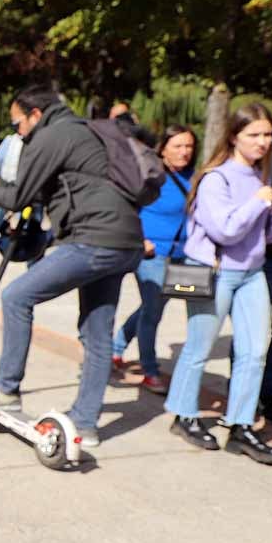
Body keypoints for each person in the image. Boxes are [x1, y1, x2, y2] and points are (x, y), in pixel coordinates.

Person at [0, 85, 145, 447]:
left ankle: (7, 389)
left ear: (35, 115)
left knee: (16, 297)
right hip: (126, 241)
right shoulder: (82, 130)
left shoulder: (53, 134)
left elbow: (18, 197)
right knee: (97, 334)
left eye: (17, 124)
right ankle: (86, 424)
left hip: (92, 239)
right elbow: (56, 187)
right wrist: (2, 185)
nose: (17, 133)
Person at [165, 104, 272, 462]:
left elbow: (265, 234)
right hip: (216, 273)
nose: (263, 142)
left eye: (268, 135)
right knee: (199, 346)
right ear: (234, 137)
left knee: (254, 353)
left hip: (252, 271)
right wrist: (260, 204)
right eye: (254, 135)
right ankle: (184, 415)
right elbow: (226, 230)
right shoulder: (217, 178)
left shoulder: (262, 178)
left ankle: (241, 425)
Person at [111, 125, 197, 394]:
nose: (184, 152)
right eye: (177, 146)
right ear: (162, 149)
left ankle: (116, 347)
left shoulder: (194, 177)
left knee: (154, 306)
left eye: (189, 146)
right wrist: (140, 239)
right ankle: (150, 370)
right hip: (151, 254)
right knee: (153, 311)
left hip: (183, 255)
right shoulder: (149, 174)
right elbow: (125, 207)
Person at [0, 112, 24, 246]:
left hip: (20, 184)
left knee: (21, 212)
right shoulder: (10, 140)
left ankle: (20, 237)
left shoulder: (31, 143)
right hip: (4, 182)